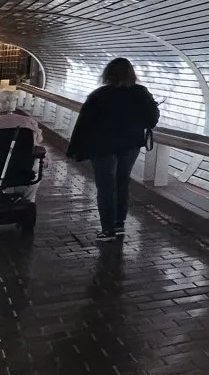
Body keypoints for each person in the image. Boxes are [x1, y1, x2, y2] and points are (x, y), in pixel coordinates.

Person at [66, 58, 160, 242]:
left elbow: (84, 124)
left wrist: (74, 149)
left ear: (108, 74)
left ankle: (107, 230)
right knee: (123, 181)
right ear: (132, 74)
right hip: (130, 144)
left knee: (106, 186)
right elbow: (151, 119)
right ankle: (119, 222)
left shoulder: (99, 95)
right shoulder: (141, 92)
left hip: (102, 146)